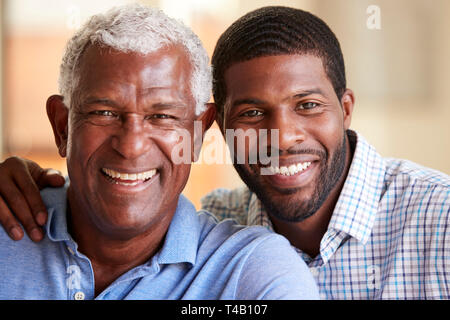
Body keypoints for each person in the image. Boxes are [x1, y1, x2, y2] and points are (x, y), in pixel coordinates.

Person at [1, 5, 449, 300]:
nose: (283, 137)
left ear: (345, 109)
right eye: (253, 112)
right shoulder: (222, 219)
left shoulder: (440, 218)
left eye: (308, 105)